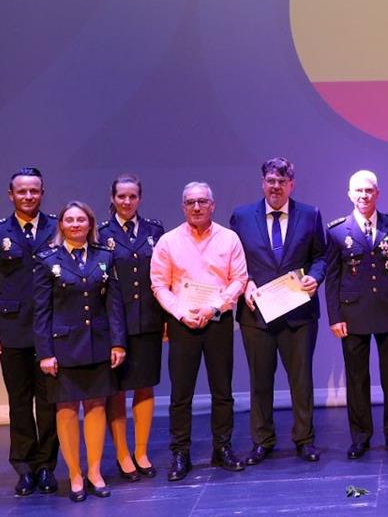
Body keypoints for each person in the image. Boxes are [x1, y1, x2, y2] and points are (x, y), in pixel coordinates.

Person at [230, 158, 328, 465]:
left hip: (299, 313)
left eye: (281, 182)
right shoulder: (242, 217)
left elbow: (321, 256)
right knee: (260, 380)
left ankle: (304, 439)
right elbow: (234, 262)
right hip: (256, 314)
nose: (275, 187)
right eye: (271, 181)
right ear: (263, 183)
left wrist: (316, 276)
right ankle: (262, 441)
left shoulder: (310, 215)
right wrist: (244, 283)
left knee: (301, 379)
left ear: (291, 185)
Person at [150, 182, 249, 481]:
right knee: (181, 394)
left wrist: (214, 308)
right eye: (191, 202)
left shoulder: (229, 238)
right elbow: (158, 284)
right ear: (183, 207)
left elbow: (238, 279)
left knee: (223, 391)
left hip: (217, 322)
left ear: (212, 205)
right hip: (183, 324)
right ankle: (180, 453)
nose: (196, 207)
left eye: (202, 202)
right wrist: (181, 312)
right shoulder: (168, 241)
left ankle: (222, 448)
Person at [0, 167, 60, 496]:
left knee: (50, 402)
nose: (28, 196)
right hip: (11, 331)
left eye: (34, 191)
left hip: (51, 330)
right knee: (20, 402)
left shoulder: (57, 227)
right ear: (11, 195)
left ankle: (46, 467)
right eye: (22, 191)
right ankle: (24, 467)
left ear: (42, 193)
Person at [33, 202, 127, 501]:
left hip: (98, 344)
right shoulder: (47, 260)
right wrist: (45, 352)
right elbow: (41, 312)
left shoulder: (104, 256)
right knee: (67, 409)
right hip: (64, 347)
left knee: (97, 406)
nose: (75, 224)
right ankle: (74, 474)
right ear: (61, 225)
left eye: (81, 219)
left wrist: (118, 342)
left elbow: (114, 304)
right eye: (69, 220)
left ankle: (95, 471)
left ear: (90, 224)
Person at [326, 170, 388, 459]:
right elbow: (332, 278)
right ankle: (360, 436)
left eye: (369, 191)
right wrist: (335, 316)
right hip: (353, 314)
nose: (364, 196)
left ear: (377, 193)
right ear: (349, 194)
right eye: (358, 191)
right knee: (357, 378)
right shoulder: (337, 231)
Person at [98, 175, 165, 481]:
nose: (127, 202)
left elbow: (164, 277)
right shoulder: (100, 233)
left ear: (140, 198)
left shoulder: (154, 230)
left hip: (149, 320)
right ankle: (123, 454)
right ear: (112, 198)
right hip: (115, 324)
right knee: (117, 391)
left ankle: (141, 451)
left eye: (132, 196)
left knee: (145, 385)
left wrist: (165, 320)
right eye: (121, 196)